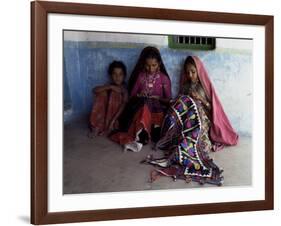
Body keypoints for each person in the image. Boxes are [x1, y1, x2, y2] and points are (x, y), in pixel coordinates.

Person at [142, 56, 239, 186]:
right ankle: (179, 143)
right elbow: (182, 103)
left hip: (201, 119)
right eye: (187, 72)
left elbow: (212, 109)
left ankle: (189, 147)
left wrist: (200, 100)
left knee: (195, 138)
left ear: (198, 71)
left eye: (193, 72)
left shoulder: (203, 87)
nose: (190, 75)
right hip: (188, 118)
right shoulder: (186, 86)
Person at [110, 46, 172, 152]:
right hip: (140, 109)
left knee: (157, 133)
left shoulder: (164, 79)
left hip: (157, 112)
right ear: (143, 64)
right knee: (144, 103)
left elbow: (169, 100)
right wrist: (140, 94)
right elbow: (132, 97)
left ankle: (141, 138)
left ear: (159, 64)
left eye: (154, 65)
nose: (151, 69)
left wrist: (158, 98)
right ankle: (140, 139)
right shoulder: (140, 76)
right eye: (147, 65)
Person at [89, 61, 128, 137]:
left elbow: (123, 106)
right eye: (115, 74)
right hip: (105, 115)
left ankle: (107, 126)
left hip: (116, 117)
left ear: (124, 76)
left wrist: (112, 121)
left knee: (115, 94)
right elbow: (94, 90)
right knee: (101, 93)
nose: (117, 77)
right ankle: (97, 127)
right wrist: (110, 87)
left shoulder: (124, 89)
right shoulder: (109, 85)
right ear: (110, 75)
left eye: (120, 74)